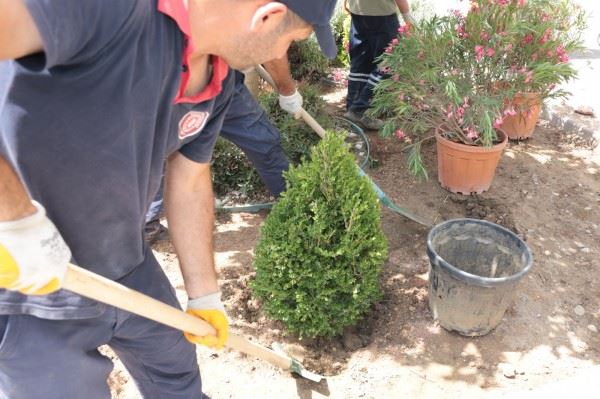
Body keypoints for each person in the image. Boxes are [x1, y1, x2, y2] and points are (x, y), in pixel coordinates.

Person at [0, 0, 336, 397]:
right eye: (291, 42)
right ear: (267, 17)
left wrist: (204, 294)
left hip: (127, 264)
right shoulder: (108, 9)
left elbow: (190, 178)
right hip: (25, 289)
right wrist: (14, 216)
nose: (280, 56)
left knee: (175, 373)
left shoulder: (218, 80)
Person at [145, 56, 302, 243]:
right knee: (158, 150)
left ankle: (296, 207)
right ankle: (147, 224)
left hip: (220, 81)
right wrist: (287, 90)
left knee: (263, 142)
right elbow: (274, 53)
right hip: (172, 84)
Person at [344, 0, 414, 130]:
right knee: (390, 63)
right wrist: (408, 18)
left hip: (358, 13)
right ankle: (359, 109)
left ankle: (352, 110)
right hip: (382, 15)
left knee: (361, 62)